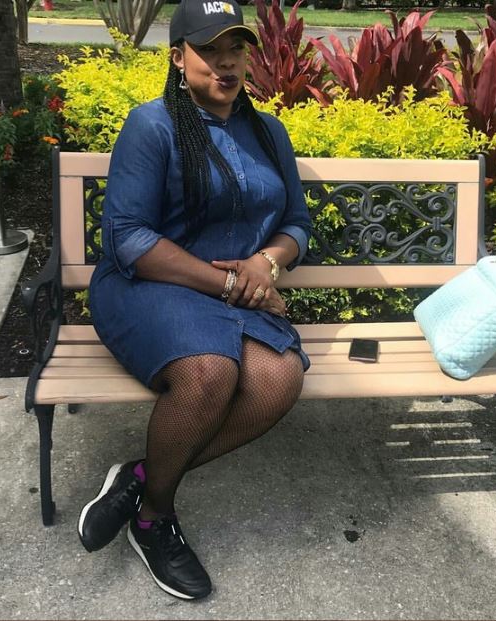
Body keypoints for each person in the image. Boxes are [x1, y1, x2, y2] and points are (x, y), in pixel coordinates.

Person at [76, 0, 312, 601]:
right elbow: (130, 239)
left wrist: (266, 263)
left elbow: (297, 223)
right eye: (209, 50)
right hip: (149, 288)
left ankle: (139, 479)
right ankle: (155, 520)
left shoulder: (268, 132)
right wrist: (233, 284)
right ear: (179, 58)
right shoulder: (152, 126)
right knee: (209, 371)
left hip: (234, 295)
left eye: (236, 49)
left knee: (279, 381)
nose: (225, 63)